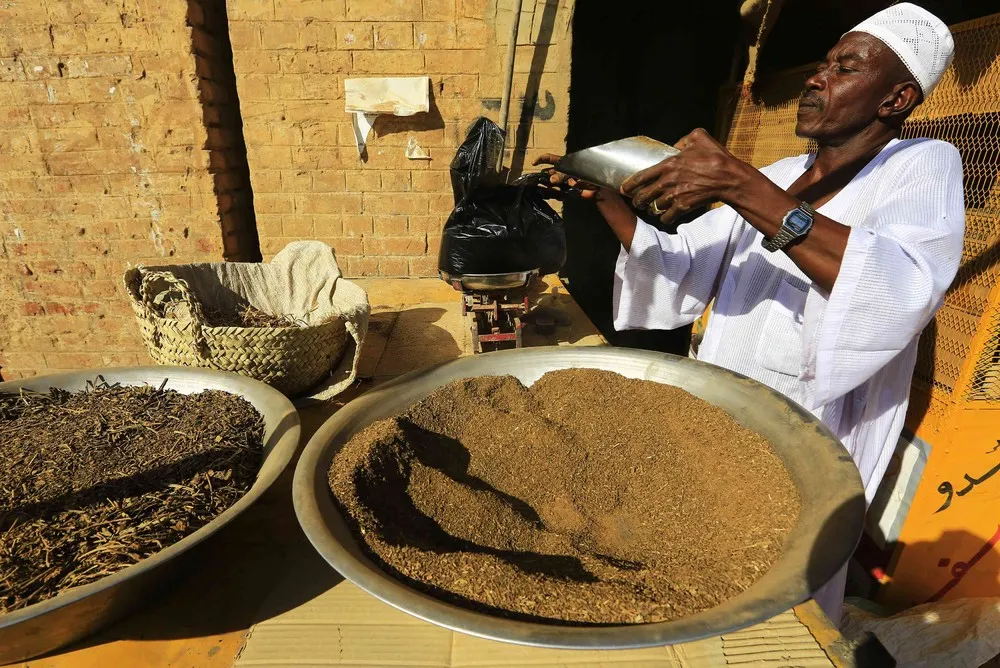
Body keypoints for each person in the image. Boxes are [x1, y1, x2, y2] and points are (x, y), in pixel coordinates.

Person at [536, 3, 964, 623]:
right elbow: (687, 267)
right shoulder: (783, 173)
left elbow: (896, 288)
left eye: (845, 68)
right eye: (823, 64)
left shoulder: (920, 165)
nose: (818, 79)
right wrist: (608, 200)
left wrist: (740, 185)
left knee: (781, 590)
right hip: (724, 415)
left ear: (895, 99)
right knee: (704, 566)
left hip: (812, 426)